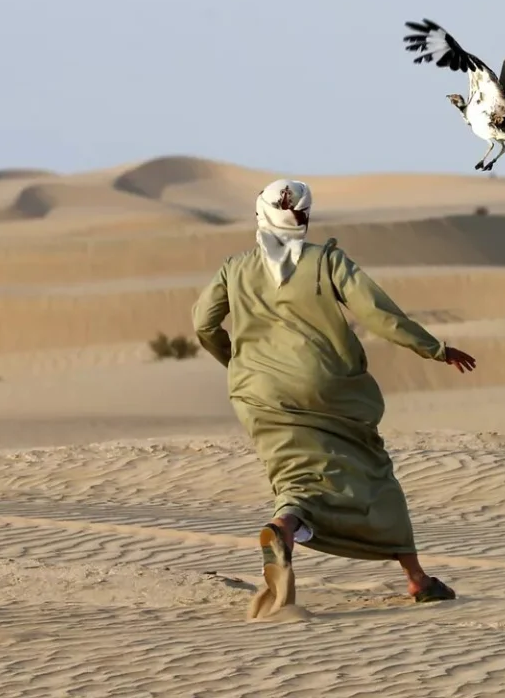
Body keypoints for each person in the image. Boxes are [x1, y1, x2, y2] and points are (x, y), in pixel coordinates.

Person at [192, 178, 477, 619]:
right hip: (328, 389)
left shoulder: (235, 268)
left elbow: (203, 324)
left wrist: (237, 364)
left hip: (258, 393)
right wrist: (434, 348)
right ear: (304, 217)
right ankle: (417, 579)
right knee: (372, 471)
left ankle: (284, 525)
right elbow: (376, 313)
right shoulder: (327, 262)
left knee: (293, 474)